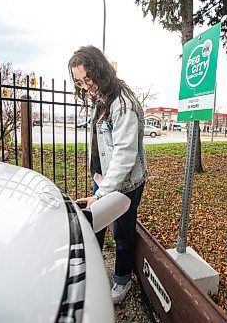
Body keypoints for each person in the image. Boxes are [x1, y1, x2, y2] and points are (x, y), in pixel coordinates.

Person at [69, 45, 148, 305]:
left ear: (100, 70)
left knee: (122, 236)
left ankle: (122, 281)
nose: (85, 85)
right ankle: (91, 274)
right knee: (95, 227)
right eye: (80, 81)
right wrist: (98, 182)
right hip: (104, 180)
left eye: (88, 78)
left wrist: (102, 194)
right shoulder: (101, 97)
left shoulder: (122, 103)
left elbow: (126, 154)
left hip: (124, 184)